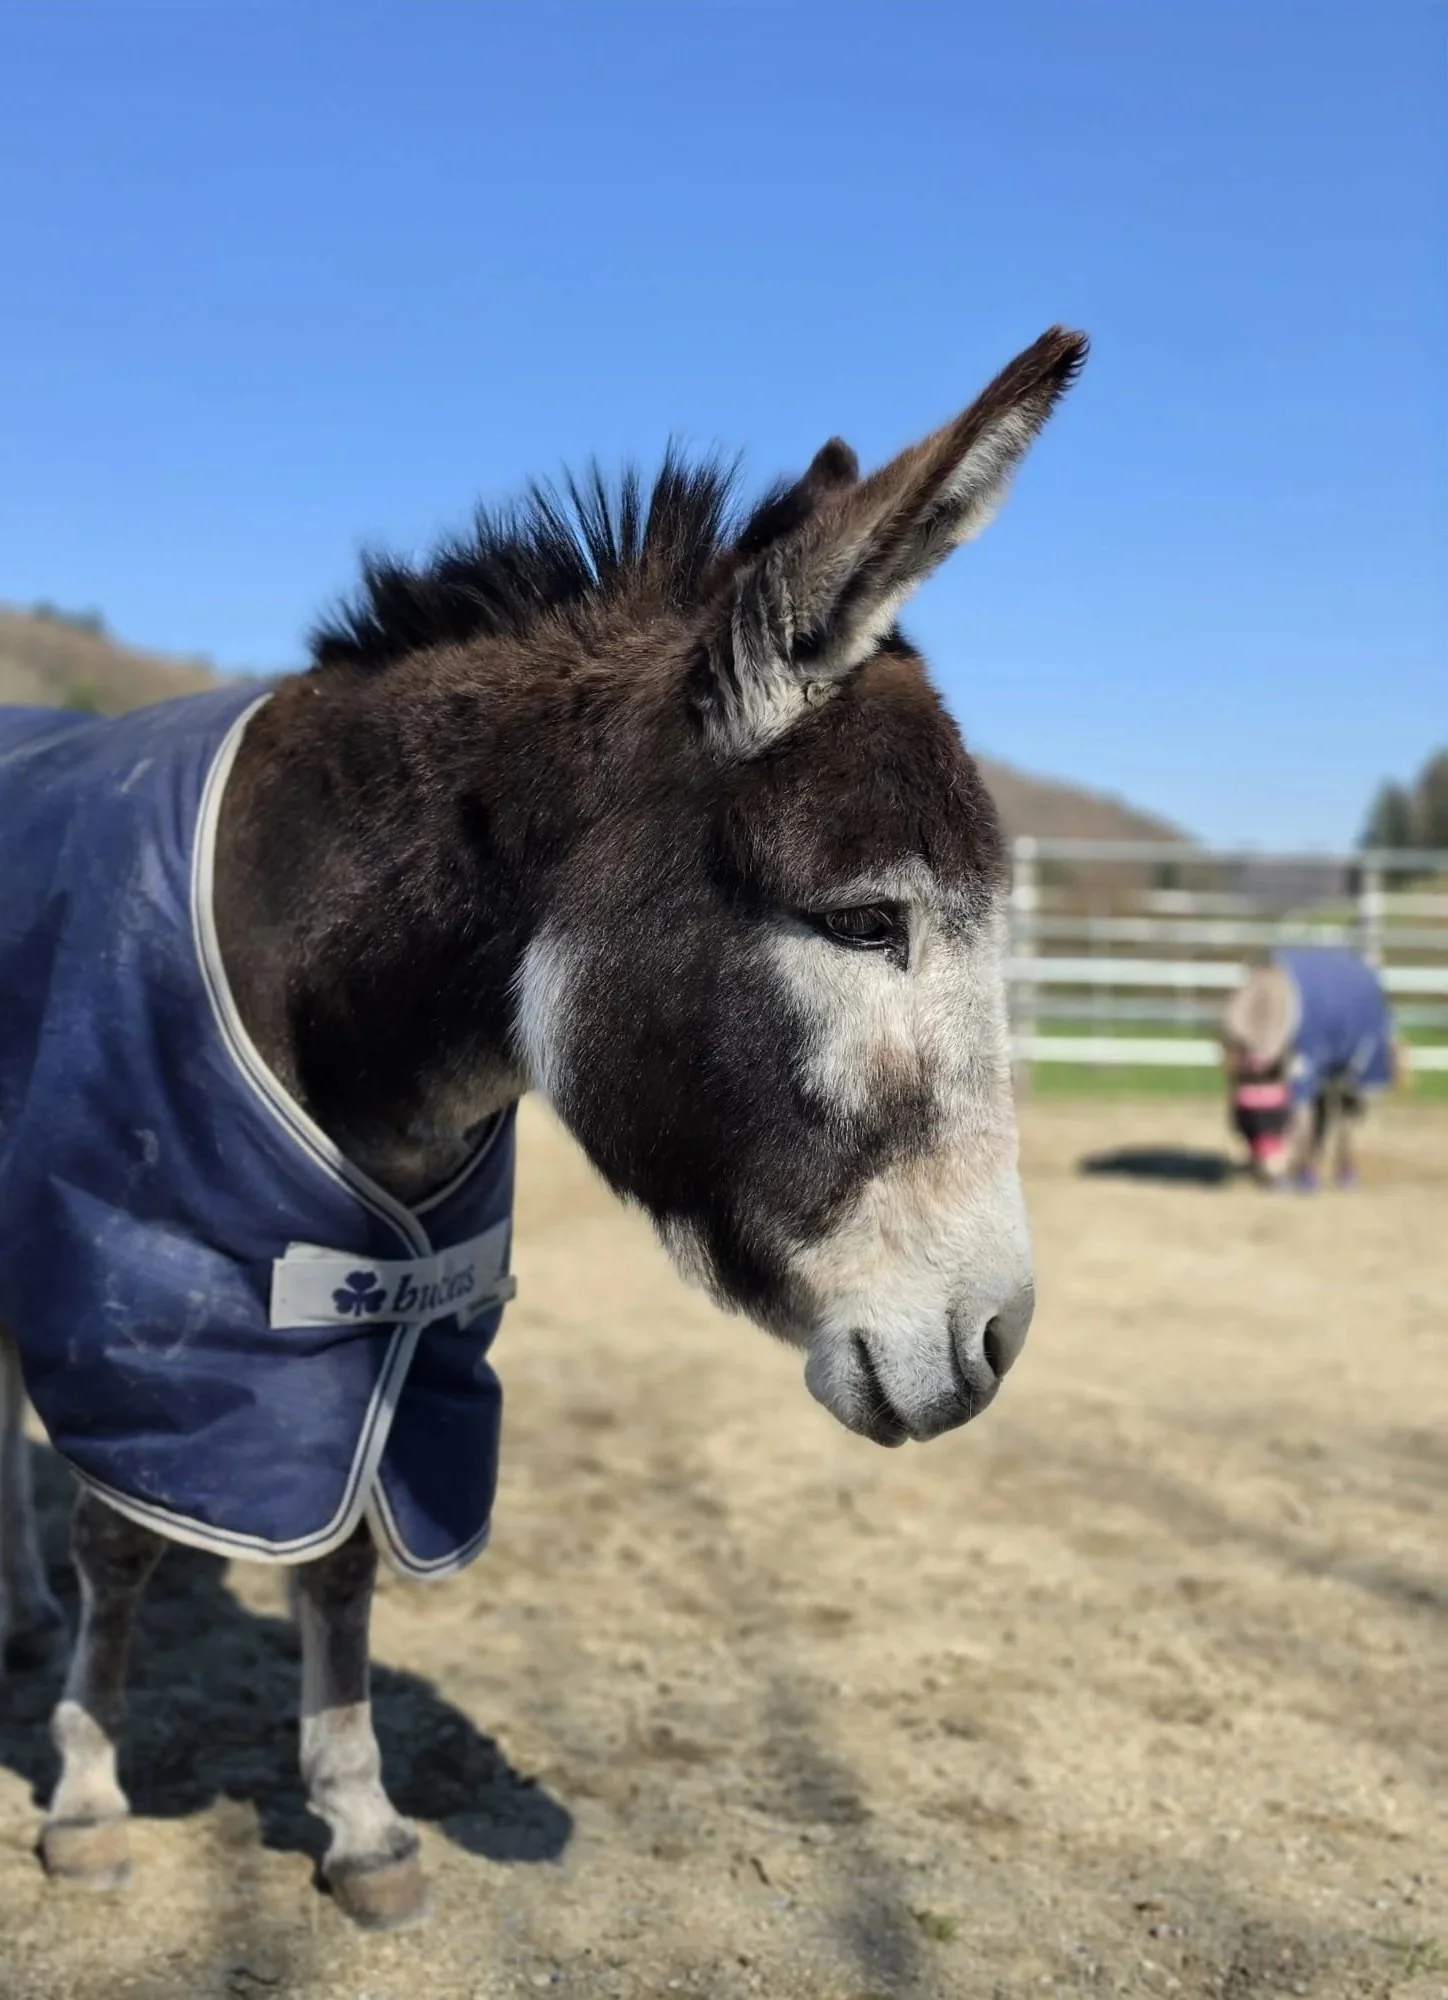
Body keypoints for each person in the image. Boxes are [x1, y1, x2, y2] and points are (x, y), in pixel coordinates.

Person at [1220, 948, 1397, 1189]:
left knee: (1329, 1103)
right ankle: (1307, 1165)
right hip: (1276, 1051)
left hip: (1315, 1038)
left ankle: (1320, 1164)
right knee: (1300, 1100)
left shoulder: (1269, 1018)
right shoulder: (1255, 1016)